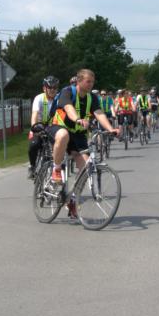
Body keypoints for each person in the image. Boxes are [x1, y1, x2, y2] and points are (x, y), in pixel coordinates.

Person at [47, 69, 119, 216]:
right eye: (88, 81)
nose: (91, 84)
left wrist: (111, 129)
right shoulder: (67, 92)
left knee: (86, 168)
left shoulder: (92, 98)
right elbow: (68, 108)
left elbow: (99, 113)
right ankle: (56, 169)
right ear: (79, 81)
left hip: (78, 134)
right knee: (63, 135)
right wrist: (78, 119)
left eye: (92, 82)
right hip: (59, 127)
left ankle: (73, 199)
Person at [27, 75, 59, 180]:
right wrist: (34, 127)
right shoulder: (39, 98)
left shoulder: (59, 99)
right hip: (39, 125)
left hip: (53, 127)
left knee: (58, 147)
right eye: (50, 87)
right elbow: (35, 114)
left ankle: (55, 170)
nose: (52, 90)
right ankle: (32, 166)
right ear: (44, 88)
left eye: (55, 88)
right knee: (34, 145)